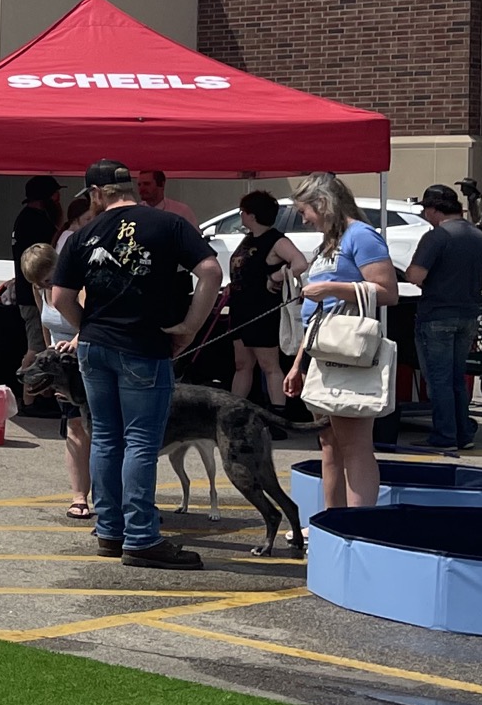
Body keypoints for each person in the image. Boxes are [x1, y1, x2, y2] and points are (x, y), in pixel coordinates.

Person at [50, 158, 222, 569]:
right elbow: (212, 272)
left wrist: (87, 326)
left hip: (94, 347)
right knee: (141, 441)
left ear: (95, 194)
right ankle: (141, 536)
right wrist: (190, 328)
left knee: (106, 438)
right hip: (145, 345)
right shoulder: (170, 224)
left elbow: (59, 298)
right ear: (129, 188)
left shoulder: (82, 234)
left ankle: (110, 531)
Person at [284, 172, 399, 511]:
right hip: (324, 351)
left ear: (323, 203)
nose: (304, 220)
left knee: (354, 444)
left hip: (348, 354)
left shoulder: (361, 236)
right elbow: (318, 314)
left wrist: (333, 288)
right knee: (330, 443)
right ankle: (331, 520)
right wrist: (297, 365)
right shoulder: (330, 243)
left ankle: (356, 524)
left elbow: (388, 291)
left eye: (306, 211)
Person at [406, 182, 482, 454]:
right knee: (457, 377)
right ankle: (463, 432)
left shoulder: (436, 237)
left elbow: (415, 276)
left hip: (436, 316)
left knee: (438, 380)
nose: (424, 216)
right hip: (468, 315)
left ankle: (445, 435)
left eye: (426, 210)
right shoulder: (480, 237)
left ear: (435, 210)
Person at [17, 241, 93, 522]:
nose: (45, 287)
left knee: (97, 432)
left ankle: (107, 493)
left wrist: (73, 343)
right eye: (39, 284)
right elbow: (45, 325)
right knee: (74, 428)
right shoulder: (40, 290)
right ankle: (79, 496)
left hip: (85, 361)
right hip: (62, 368)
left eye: (49, 280)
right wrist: (49, 361)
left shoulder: (79, 287)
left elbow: (90, 322)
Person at [226, 189, 307, 417]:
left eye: (243, 212)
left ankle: (278, 415)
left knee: (268, 364)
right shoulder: (248, 238)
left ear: (252, 215)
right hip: (240, 308)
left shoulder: (276, 240)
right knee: (242, 363)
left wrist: (276, 276)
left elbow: (300, 263)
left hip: (262, 310)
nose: (241, 215)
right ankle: (233, 412)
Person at [10, 177, 63, 287]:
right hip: (34, 294)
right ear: (45, 197)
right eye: (55, 195)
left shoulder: (26, 217)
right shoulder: (36, 222)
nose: (58, 198)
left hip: (28, 290)